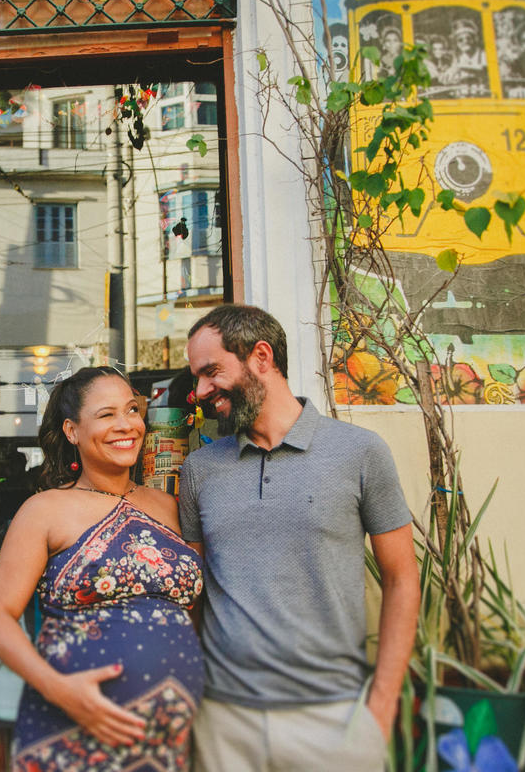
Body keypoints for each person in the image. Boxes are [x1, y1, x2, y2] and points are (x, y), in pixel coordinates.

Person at [179, 304, 419, 772]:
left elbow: (401, 578)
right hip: (224, 722)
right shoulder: (198, 471)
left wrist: (382, 708)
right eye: (197, 379)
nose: (201, 392)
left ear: (261, 357)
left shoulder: (361, 452)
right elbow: (192, 595)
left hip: (333, 719)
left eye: (210, 373)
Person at [0, 366, 204, 771]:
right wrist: (59, 690)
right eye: (106, 415)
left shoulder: (169, 507)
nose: (126, 425)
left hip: (165, 741)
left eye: (132, 410)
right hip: (70, 732)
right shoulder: (45, 510)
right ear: (72, 431)